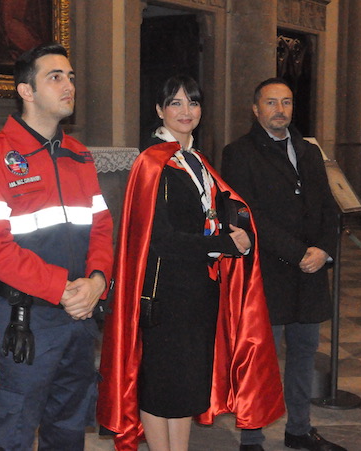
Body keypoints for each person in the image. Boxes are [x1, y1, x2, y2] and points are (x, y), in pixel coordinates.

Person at [98, 76, 284, 451]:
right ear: (159, 110)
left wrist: (236, 232)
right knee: (159, 387)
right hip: (165, 295)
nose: (186, 111)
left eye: (193, 103)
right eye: (176, 103)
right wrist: (223, 243)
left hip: (199, 291)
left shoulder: (196, 160)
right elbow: (161, 240)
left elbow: (210, 216)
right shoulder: (153, 163)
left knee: (186, 387)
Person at [0, 43, 114, 450]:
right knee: (10, 432)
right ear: (26, 91)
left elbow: (101, 228)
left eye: (71, 77)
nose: (69, 86)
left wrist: (97, 281)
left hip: (79, 317)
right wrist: (62, 288)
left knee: (68, 429)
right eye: (55, 77)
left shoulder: (79, 156)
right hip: (23, 320)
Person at [221, 78, 346, 451]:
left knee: (304, 352)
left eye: (287, 102)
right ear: (255, 109)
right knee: (260, 358)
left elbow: (328, 206)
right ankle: (252, 436)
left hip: (310, 271)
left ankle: (299, 429)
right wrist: (298, 253)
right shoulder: (239, 153)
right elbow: (248, 214)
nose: (280, 110)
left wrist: (323, 249)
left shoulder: (308, 151)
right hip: (269, 271)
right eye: (271, 102)